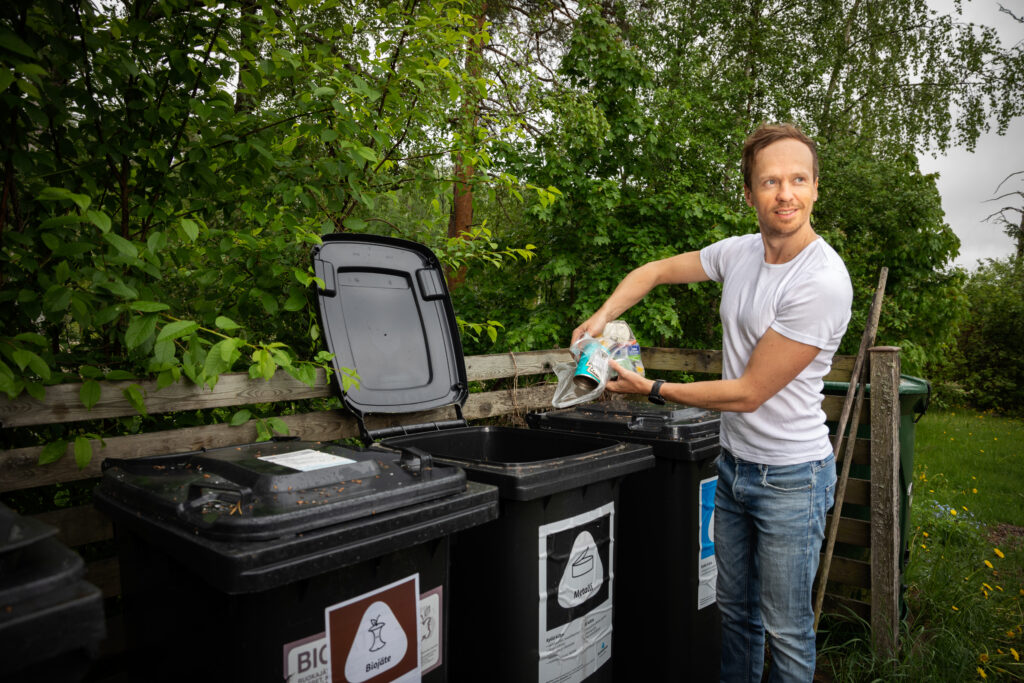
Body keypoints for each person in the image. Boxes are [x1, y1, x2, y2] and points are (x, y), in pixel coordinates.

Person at [571, 123, 853, 682]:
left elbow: (749, 392)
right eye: (770, 181)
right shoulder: (739, 253)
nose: (785, 194)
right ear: (749, 193)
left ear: (816, 187)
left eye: (798, 179)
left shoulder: (822, 280)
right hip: (733, 468)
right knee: (736, 616)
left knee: (786, 630)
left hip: (792, 479)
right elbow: (653, 272)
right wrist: (602, 316)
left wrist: (651, 389)